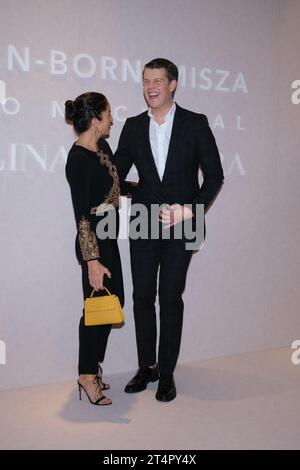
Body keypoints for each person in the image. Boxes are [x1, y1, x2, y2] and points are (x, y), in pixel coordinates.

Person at [114, 58, 224, 402]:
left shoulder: (195, 123)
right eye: (146, 80)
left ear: (172, 84)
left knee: (170, 298)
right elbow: (116, 172)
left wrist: (188, 209)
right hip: (143, 223)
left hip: (183, 224)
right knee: (142, 297)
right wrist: (138, 190)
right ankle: (146, 367)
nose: (151, 87)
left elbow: (215, 175)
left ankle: (167, 372)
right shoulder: (133, 126)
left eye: (158, 80)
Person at [65, 92, 125, 406]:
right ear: (96, 118)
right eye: (109, 114)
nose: (112, 120)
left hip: (109, 238)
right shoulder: (77, 160)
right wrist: (92, 260)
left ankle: (92, 367)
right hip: (94, 244)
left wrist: (151, 189)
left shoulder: (103, 148)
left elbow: (116, 186)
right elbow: (82, 215)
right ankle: (86, 375)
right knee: (95, 310)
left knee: (113, 303)